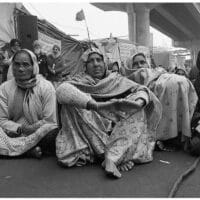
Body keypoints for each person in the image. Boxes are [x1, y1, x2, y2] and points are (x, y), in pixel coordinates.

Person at [55, 48, 162, 178]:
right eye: (91, 61)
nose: (96, 64)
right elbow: (61, 90)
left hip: (116, 131)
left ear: (105, 63)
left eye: (99, 60)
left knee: (138, 109)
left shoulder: (116, 79)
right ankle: (115, 156)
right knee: (72, 104)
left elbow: (142, 89)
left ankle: (112, 158)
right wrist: (96, 106)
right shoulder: (78, 81)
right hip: (93, 133)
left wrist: (137, 103)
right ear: (85, 66)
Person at [125, 52, 198, 151]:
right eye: (135, 63)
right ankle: (170, 138)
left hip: (177, 86)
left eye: (142, 62)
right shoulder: (127, 82)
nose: (140, 66)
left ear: (148, 63)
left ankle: (177, 135)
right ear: (129, 67)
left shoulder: (157, 71)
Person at [0, 49, 58, 158]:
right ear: (12, 67)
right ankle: (27, 151)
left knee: (51, 131)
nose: (20, 69)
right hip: (12, 132)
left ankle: (14, 150)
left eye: (25, 65)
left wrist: (33, 129)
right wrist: (20, 128)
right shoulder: (4, 88)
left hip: (39, 133)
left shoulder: (46, 87)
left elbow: (50, 120)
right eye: (16, 64)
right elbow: (2, 120)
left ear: (34, 66)